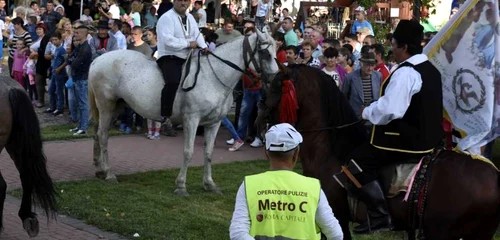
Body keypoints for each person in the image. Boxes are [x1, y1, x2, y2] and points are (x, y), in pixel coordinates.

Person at [346, 20, 443, 235]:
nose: (392, 50)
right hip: (431, 139)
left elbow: (390, 110)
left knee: (354, 165)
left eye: (394, 45)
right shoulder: (430, 68)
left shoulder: (406, 73)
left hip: (408, 142)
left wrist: (365, 112)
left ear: (404, 48)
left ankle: (380, 215)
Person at [229, 123, 344, 239]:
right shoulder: (313, 188)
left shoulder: (249, 185)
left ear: (266, 153)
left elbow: (238, 233)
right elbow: (335, 234)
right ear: (296, 153)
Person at [156, 0, 208, 123]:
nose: (183, 3)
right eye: (180, 0)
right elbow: (168, 40)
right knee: (173, 82)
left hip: (187, 56)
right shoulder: (166, 18)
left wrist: (204, 46)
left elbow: (196, 34)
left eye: (186, 1)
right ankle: (165, 116)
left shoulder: (190, 17)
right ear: (175, 2)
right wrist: (188, 43)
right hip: (169, 56)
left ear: (190, 3)